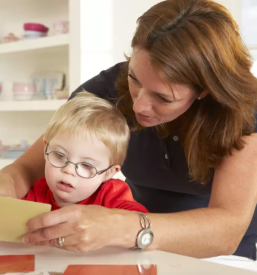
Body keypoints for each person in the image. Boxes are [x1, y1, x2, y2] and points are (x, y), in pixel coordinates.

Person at [1, 0, 257, 259]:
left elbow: (227, 230)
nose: (139, 105)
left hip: (221, 256)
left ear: (204, 90)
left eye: (163, 97)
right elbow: (24, 169)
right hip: (132, 250)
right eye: (134, 78)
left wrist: (121, 227)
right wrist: (4, 190)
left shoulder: (242, 112)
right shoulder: (102, 93)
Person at [21, 91, 148, 216]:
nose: (69, 170)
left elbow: (140, 223)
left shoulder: (112, 194)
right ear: (45, 149)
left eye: (86, 165)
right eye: (59, 156)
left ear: (109, 172)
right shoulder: (38, 192)